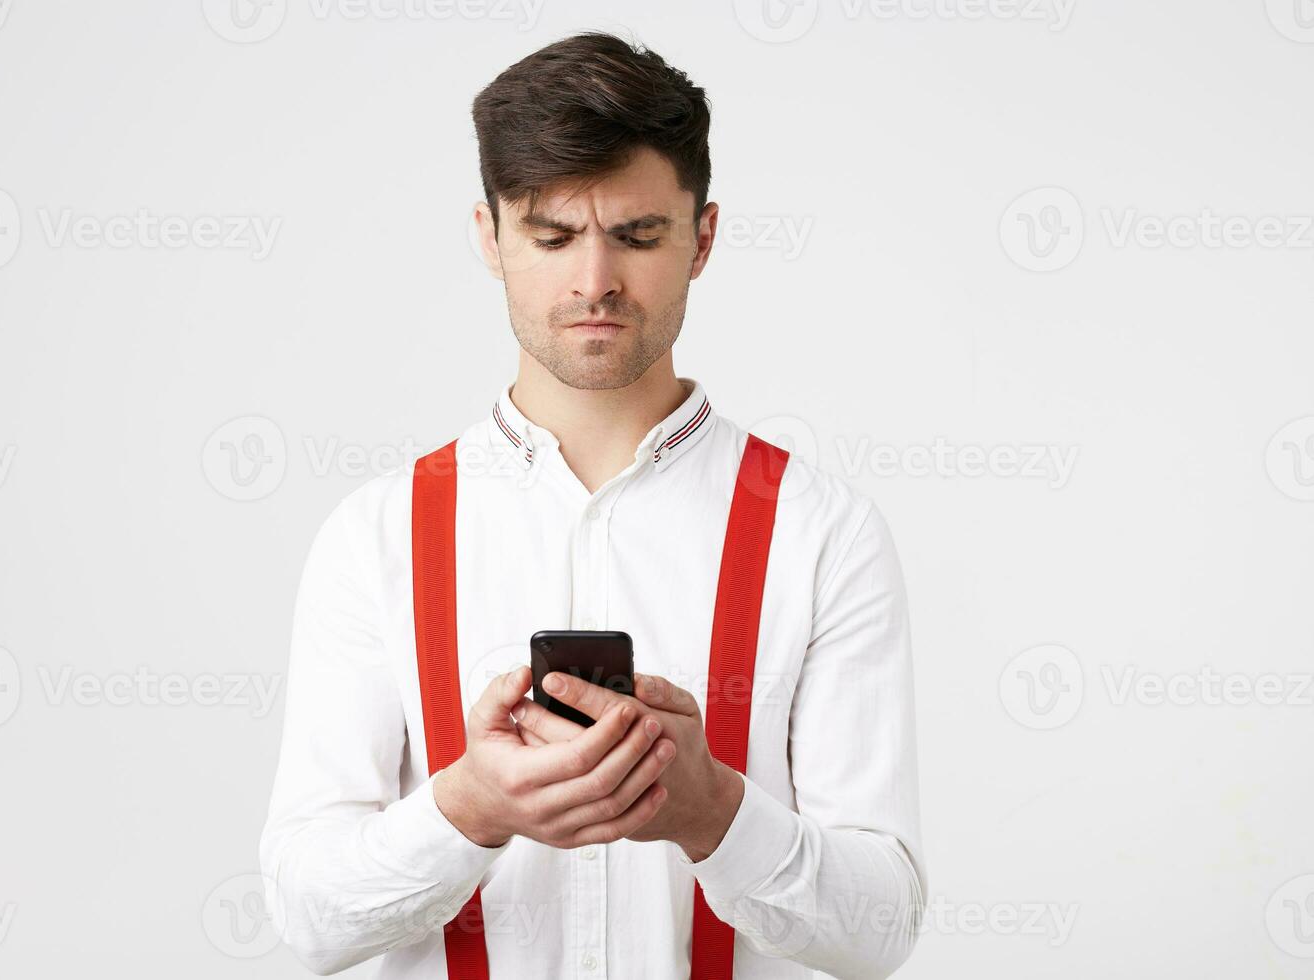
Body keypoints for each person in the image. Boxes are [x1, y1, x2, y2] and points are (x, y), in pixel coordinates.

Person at [258, 30, 926, 980]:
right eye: (552, 235)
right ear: (490, 239)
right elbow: (307, 916)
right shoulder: (377, 536)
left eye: (638, 235)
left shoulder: (822, 532)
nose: (595, 281)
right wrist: (468, 811)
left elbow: (880, 931)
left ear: (703, 237)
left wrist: (713, 814)